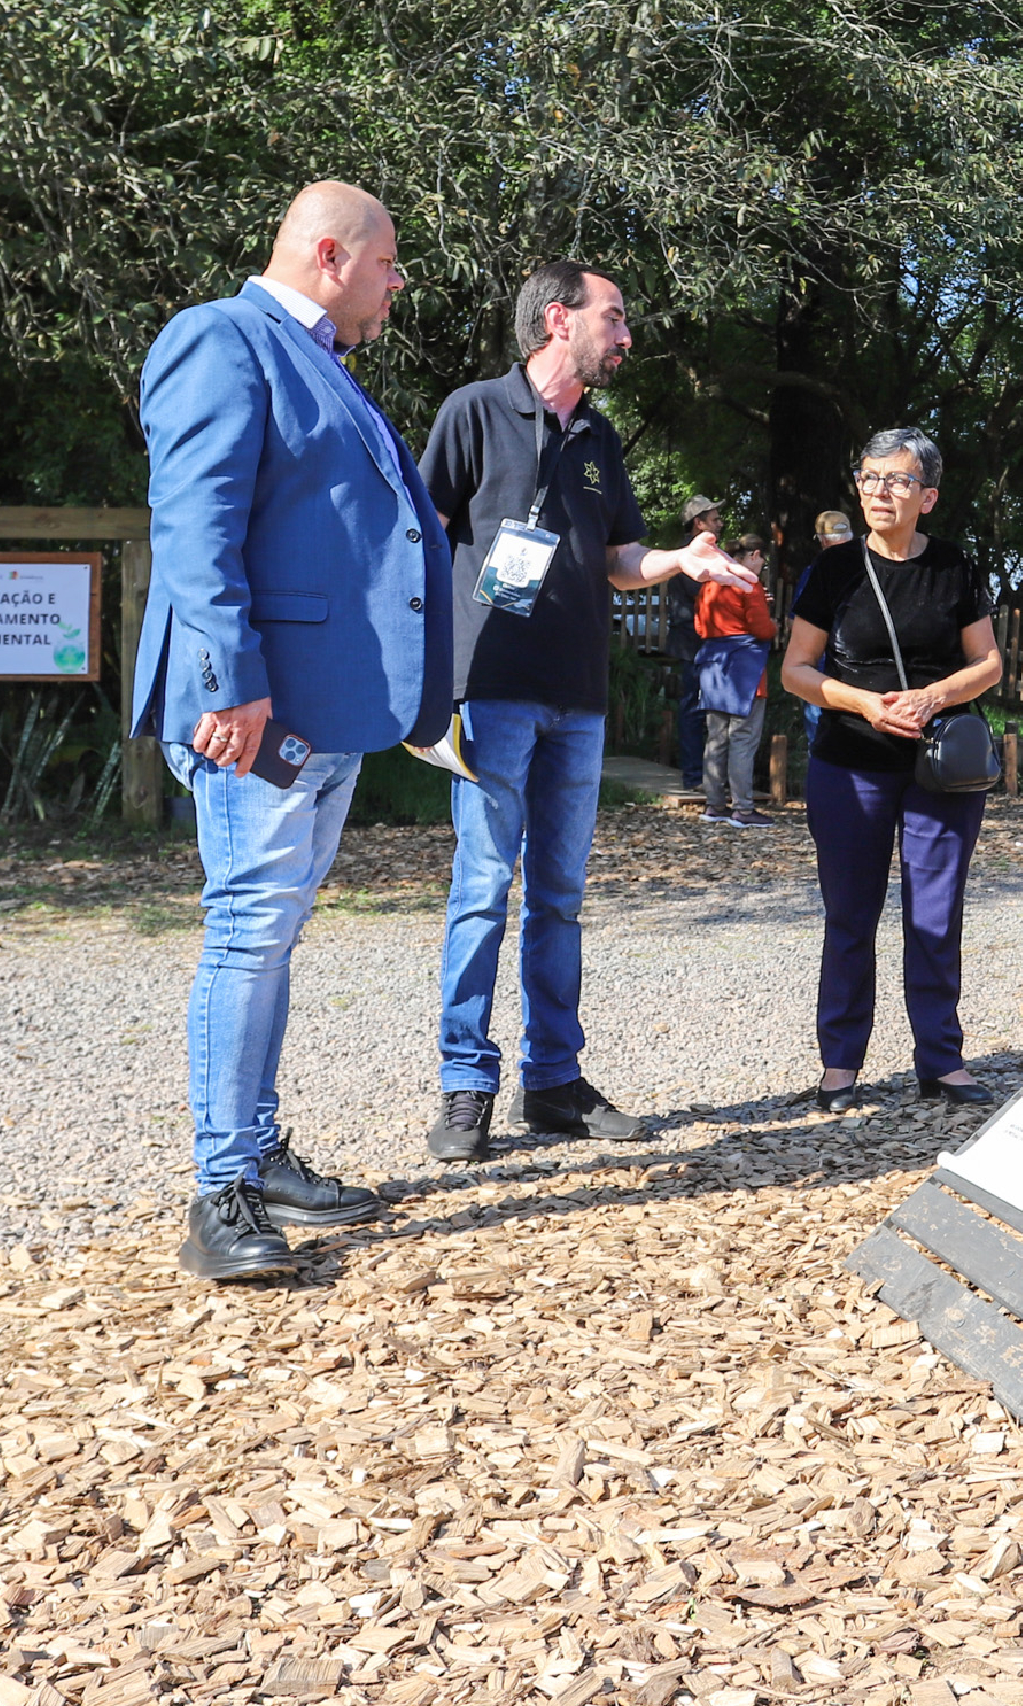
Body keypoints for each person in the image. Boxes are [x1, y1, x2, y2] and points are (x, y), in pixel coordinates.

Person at [135, 181, 449, 1280]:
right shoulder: (220, 339)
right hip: (253, 709)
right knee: (245, 933)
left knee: (271, 938)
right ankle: (220, 1191)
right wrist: (227, 680)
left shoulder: (321, 361)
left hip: (319, 707)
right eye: (388, 265)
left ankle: (259, 1153)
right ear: (330, 253)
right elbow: (194, 521)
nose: (398, 283)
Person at [418, 261, 750, 1162]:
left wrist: (682, 562)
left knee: (559, 900)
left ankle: (554, 1084)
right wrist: (421, 672)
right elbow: (415, 535)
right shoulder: (474, 412)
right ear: (559, 320)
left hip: (578, 701)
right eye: (616, 317)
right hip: (489, 691)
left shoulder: (600, 438)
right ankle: (465, 1086)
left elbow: (619, 562)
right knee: (484, 890)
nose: (628, 335)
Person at [781, 429, 1004, 1111]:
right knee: (850, 916)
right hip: (850, 765)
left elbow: (989, 663)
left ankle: (941, 1059)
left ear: (928, 496)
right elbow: (794, 670)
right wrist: (862, 704)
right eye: (870, 477)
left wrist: (936, 695)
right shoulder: (832, 570)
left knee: (934, 917)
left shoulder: (955, 567)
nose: (881, 490)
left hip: (940, 769)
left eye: (899, 480)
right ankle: (840, 1064)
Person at [697, 533, 778, 828]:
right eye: (762, 561)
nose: (762, 567)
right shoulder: (748, 582)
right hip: (745, 668)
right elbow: (761, 628)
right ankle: (743, 809)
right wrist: (774, 625)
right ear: (754, 555)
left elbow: (699, 623)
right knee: (743, 739)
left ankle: (714, 804)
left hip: (713, 667)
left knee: (716, 739)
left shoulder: (710, 582)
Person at [663, 495, 721, 792]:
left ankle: (706, 776)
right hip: (692, 644)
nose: (719, 523)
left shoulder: (710, 554)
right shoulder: (689, 557)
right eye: (714, 519)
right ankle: (694, 776)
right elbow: (707, 594)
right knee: (693, 710)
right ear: (699, 523)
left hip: (708, 643)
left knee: (708, 710)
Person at [794, 510, 856, 750]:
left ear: (822, 540)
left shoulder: (815, 573)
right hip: (867, 675)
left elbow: (797, 624)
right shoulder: (874, 569)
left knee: (820, 745)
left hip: (822, 675)